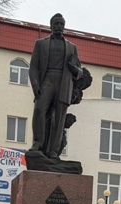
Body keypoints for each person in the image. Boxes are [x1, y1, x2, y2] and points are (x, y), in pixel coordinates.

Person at [28, 13, 84, 158]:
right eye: (56, 24)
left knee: (59, 118)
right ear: (51, 26)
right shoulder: (41, 44)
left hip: (64, 83)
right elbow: (33, 67)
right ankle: (38, 143)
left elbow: (80, 71)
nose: (59, 26)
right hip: (47, 80)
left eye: (61, 24)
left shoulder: (72, 47)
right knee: (39, 109)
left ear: (64, 27)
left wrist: (75, 70)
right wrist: (35, 85)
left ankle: (54, 150)